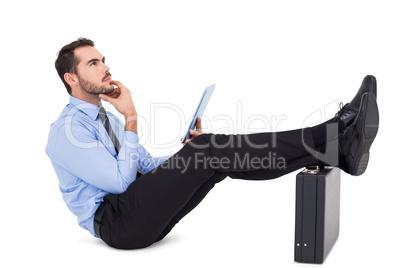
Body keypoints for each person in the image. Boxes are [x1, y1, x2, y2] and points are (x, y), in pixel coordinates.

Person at [46, 38, 379, 249]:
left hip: (138, 213)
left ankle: (335, 149)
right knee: (208, 151)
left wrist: (188, 152)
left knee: (211, 153)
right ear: (71, 79)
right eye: (94, 63)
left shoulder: (108, 118)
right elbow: (119, 182)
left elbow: (144, 167)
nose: (106, 68)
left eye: (104, 60)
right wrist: (132, 116)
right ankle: (332, 132)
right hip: (118, 225)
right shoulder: (66, 131)